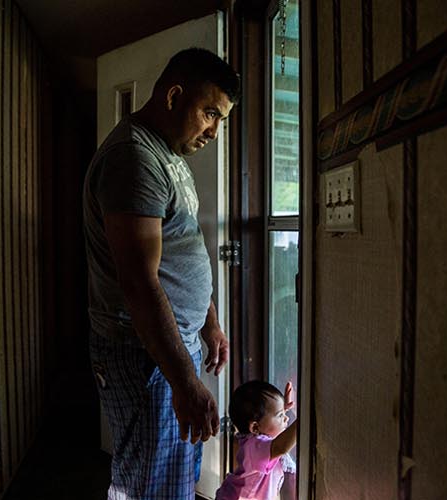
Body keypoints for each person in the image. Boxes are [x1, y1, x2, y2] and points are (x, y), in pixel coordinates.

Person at [82, 47, 237, 500]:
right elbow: (140, 283)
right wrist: (185, 381)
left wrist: (208, 321)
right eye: (210, 113)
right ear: (173, 96)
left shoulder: (167, 156)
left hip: (169, 347)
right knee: (148, 485)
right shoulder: (134, 159)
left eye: (221, 119)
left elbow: (180, 250)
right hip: (143, 351)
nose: (214, 130)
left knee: (173, 477)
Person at [215, 381, 298, 500]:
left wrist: (281, 409)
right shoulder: (255, 447)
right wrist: (303, 417)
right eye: (280, 415)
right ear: (255, 427)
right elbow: (281, 447)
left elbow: (270, 426)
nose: (286, 418)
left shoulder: (255, 440)